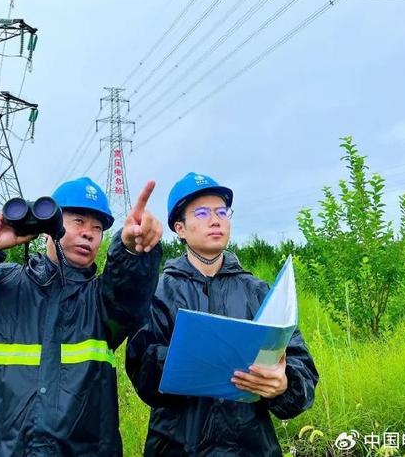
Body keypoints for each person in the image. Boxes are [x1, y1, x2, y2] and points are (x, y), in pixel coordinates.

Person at [0, 177, 163, 456]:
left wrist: (133, 252)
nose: (89, 233)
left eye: (97, 228)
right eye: (78, 222)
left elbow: (130, 292)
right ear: (50, 226)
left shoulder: (101, 301)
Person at [125, 172, 318, 456]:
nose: (215, 220)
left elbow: (302, 366)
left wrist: (284, 383)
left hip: (251, 447)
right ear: (180, 227)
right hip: (176, 447)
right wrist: (197, 357)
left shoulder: (259, 291)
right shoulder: (158, 291)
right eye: (201, 213)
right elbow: (141, 371)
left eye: (221, 212)